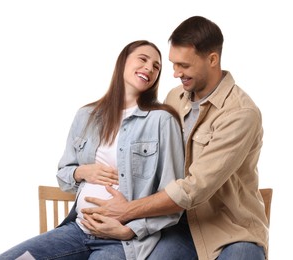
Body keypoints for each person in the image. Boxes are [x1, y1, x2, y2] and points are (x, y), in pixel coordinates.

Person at [81, 16, 269, 260]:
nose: (175, 73)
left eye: (184, 66)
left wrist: (126, 211)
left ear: (212, 59)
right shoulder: (175, 97)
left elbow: (194, 189)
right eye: (173, 64)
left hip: (231, 230)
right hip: (178, 227)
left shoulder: (241, 113)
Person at [0, 40, 186, 260]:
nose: (149, 69)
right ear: (123, 61)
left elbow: (172, 196)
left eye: (156, 67)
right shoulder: (87, 116)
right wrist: (82, 172)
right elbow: (64, 175)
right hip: (77, 230)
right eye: (143, 59)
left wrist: (130, 229)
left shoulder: (162, 120)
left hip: (123, 241)